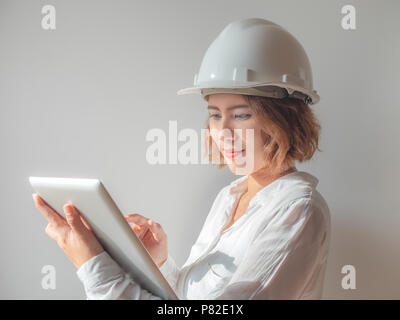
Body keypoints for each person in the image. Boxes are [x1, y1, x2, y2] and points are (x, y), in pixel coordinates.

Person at [31, 18, 331, 300]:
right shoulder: (229, 197)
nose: (222, 131)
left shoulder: (299, 210)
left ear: (286, 119)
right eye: (215, 116)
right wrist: (161, 264)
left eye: (241, 114)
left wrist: (93, 266)